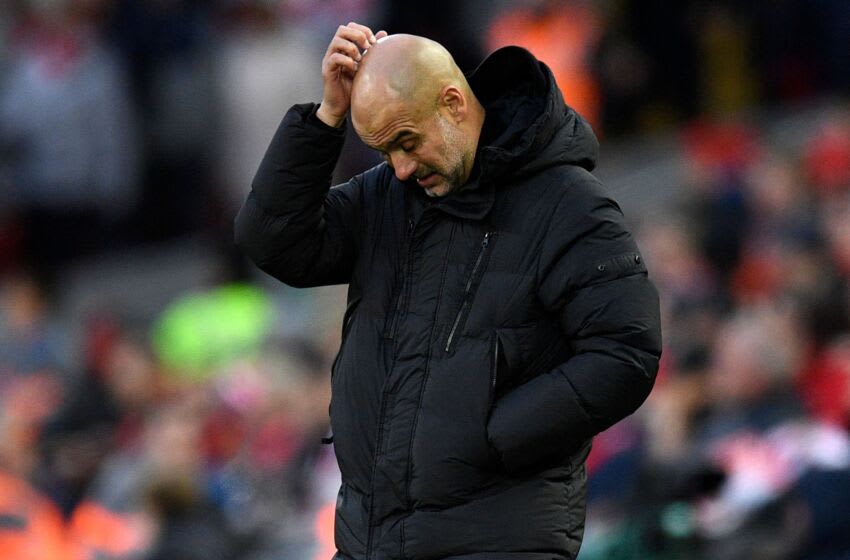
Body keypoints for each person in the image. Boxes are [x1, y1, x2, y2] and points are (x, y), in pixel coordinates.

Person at [235, 22, 661, 560]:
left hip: (498, 540)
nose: (402, 168)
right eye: (384, 151)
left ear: (453, 102)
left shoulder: (569, 204)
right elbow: (273, 240)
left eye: (407, 142)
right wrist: (326, 120)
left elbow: (626, 352)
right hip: (369, 541)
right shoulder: (386, 195)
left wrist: (492, 434)